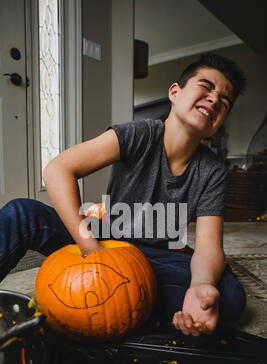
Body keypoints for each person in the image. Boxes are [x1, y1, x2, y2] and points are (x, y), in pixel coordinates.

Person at [0, 52, 247, 336]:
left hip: (155, 257)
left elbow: (208, 246)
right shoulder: (137, 134)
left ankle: (128, 302)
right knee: (22, 212)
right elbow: (58, 169)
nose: (215, 99)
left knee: (227, 296)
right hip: (103, 239)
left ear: (220, 121)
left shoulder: (213, 169)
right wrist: (90, 248)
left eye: (224, 101)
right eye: (206, 87)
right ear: (175, 93)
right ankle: (138, 303)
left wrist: (201, 284)